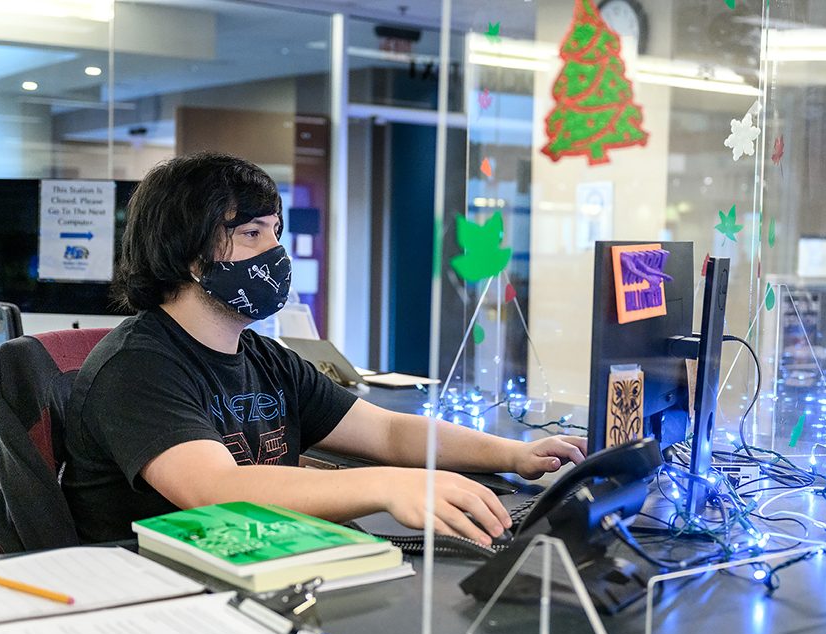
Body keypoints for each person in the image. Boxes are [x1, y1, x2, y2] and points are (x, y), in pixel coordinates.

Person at [62, 152, 586, 545]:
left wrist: (514, 454)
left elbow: (387, 431)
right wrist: (387, 487)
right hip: (163, 593)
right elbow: (215, 488)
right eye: (252, 234)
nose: (276, 251)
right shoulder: (136, 366)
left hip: (264, 561)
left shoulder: (264, 358)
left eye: (276, 231)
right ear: (190, 256)